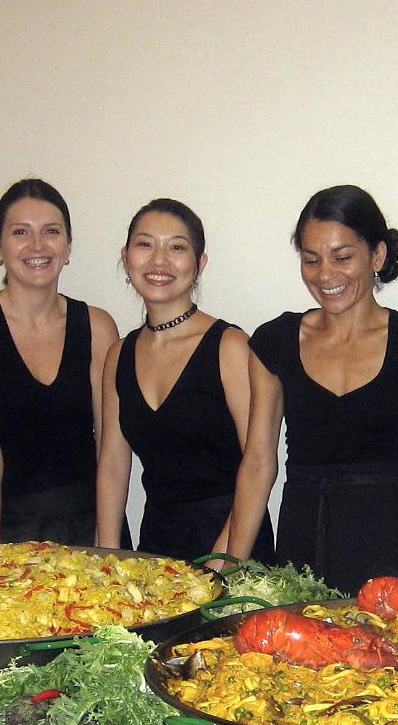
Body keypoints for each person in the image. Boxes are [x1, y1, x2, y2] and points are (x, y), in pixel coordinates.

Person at [226, 185, 398, 592]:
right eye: (311, 259)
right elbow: (258, 463)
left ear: (377, 255)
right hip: (300, 547)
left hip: (388, 546)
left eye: (342, 257)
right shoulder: (275, 341)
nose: (325, 275)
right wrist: (231, 568)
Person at [94, 199, 272, 561]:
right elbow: (113, 465)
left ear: (199, 263)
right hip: (157, 549)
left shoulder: (230, 346)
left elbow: (257, 463)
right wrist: (107, 558)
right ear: (126, 257)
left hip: (235, 545)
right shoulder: (118, 354)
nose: (159, 260)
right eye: (145, 244)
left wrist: (224, 560)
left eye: (177, 247)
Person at [0, 179, 117, 545]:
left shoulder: (98, 327)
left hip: (87, 530)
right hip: (5, 530)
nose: (37, 245)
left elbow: (110, 452)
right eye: (20, 232)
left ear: (68, 246)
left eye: (51, 232)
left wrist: (108, 547)